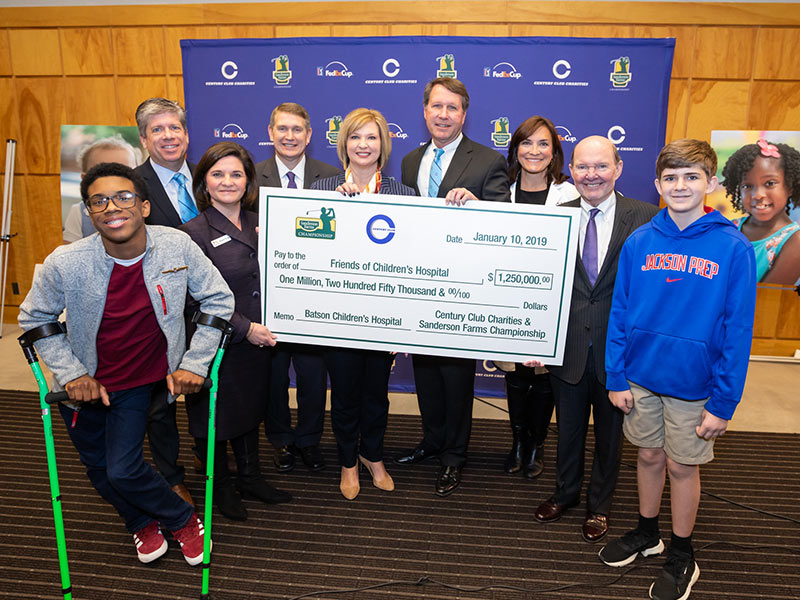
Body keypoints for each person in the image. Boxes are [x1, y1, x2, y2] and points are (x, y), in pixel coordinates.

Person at [18, 162, 234, 565]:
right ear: (88, 212)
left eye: (123, 197)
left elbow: (218, 300)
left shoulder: (176, 246)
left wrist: (196, 363)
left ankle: (182, 518)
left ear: (144, 206)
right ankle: (139, 522)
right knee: (98, 469)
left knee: (122, 469)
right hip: (81, 386)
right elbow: (34, 317)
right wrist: (73, 374)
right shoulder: (65, 262)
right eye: (98, 200)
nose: (112, 207)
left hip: (136, 380)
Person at [599, 139, 756, 600]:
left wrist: (724, 401)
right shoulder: (640, 240)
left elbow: (737, 330)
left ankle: (683, 551)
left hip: (695, 387)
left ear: (710, 182)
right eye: (671, 177)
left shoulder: (733, 247)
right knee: (647, 456)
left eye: (692, 176)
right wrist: (616, 374)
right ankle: (649, 532)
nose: (681, 185)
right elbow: (621, 311)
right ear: (656, 184)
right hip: (640, 378)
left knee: (681, 466)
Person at [530, 135, 658, 542]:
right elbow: (538, 284)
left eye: (601, 166)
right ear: (571, 171)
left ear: (618, 168)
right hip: (565, 347)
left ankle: (599, 506)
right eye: (582, 167)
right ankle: (565, 493)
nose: (591, 175)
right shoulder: (557, 217)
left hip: (618, 352)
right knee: (567, 430)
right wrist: (532, 340)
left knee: (609, 436)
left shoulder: (647, 218)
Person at [395, 77, 510, 497]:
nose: (444, 115)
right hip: (419, 284)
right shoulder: (409, 161)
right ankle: (431, 440)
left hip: (462, 286)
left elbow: (504, 220)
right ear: (425, 110)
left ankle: (454, 457)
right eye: (436, 106)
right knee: (424, 369)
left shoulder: (487, 160)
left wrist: (478, 208)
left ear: (464, 114)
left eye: (453, 108)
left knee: (456, 375)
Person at [181, 142, 291, 520]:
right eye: (217, 174)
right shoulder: (192, 233)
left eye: (236, 174)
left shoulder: (265, 221)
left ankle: (251, 476)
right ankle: (221, 487)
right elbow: (195, 302)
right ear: (204, 182)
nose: (227, 181)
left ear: (248, 180)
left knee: (249, 410)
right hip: (219, 342)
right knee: (215, 416)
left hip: (259, 342)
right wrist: (246, 329)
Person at [311, 108, 415, 500]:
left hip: (383, 320)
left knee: (376, 395)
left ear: (383, 145)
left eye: (371, 138)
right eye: (356, 137)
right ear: (344, 144)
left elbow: (412, 257)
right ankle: (348, 462)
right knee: (344, 395)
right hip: (338, 319)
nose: (363, 145)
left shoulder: (404, 195)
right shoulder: (322, 191)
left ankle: (373, 456)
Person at [255, 102, 340, 473]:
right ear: (270, 132)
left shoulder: (333, 177)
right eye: (282, 129)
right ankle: (280, 440)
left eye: (298, 130)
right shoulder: (249, 176)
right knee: (272, 378)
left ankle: (308, 440)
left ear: (309, 135)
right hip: (268, 297)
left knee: (312, 376)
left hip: (314, 296)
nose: (290, 137)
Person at [500, 116, 577, 478]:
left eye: (543, 144)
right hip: (506, 294)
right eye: (527, 143)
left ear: (555, 152)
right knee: (515, 375)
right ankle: (517, 442)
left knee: (544, 375)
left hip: (551, 299)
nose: (535, 151)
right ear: (515, 149)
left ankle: (538, 442)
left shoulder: (571, 194)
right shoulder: (499, 190)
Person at [133, 97, 199, 505]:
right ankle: (171, 475)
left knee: (207, 382)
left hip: (210, 299)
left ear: (186, 133)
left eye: (174, 127)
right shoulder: (132, 184)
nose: (168, 136)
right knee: (162, 399)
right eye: (158, 130)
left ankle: (209, 450)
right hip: (160, 306)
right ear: (144, 138)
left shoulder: (211, 174)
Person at [721, 139, 800, 285]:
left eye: (769, 183)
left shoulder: (795, 240)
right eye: (747, 186)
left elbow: (766, 297)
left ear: (790, 187)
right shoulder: (729, 228)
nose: (757, 195)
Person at [63, 135, 140, 242]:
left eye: (124, 172)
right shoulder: (80, 212)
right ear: (85, 180)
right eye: (102, 173)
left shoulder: (143, 207)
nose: (113, 181)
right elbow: (69, 250)